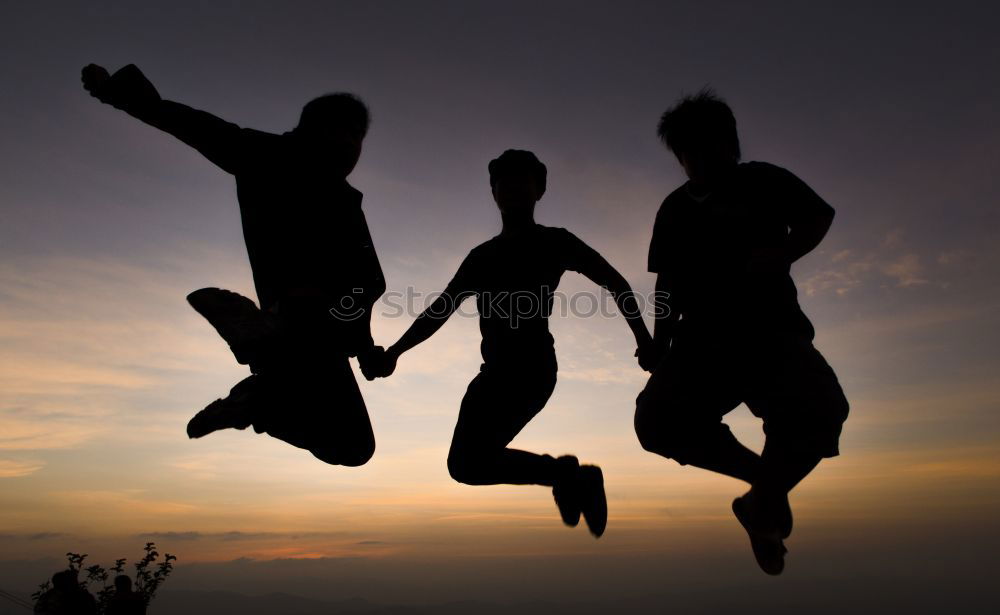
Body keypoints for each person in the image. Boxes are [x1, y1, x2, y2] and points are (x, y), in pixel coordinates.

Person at [81, 64, 385, 467]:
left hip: (326, 336)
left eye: (357, 138)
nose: (351, 146)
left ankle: (259, 393)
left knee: (351, 447)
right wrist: (120, 94)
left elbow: (363, 284)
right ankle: (262, 363)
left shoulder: (345, 197)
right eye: (344, 132)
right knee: (350, 446)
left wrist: (363, 348)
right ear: (313, 129)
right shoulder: (269, 155)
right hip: (305, 323)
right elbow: (196, 126)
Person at [368, 150, 654, 537]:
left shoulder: (555, 242)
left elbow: (616, 282)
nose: (513, 188)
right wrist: (395, 352)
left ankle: (568, 477)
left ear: (540, 191)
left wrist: (644, 339)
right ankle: (567, 477)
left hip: (533, 370)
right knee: (465, 467)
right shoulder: (482, 257)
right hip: (493, 373)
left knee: (469, 463)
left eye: (524, 181)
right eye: (505, 181)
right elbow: (439, 310)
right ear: (493, 191)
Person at [634, 89, 850, 574]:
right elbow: (666, 282)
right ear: (680, 158)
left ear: (731, 144)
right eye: (689, 151)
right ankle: (765, 491)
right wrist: (659, 341)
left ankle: (762, 502)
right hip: (702, 343)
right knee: (656, 423)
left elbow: (819, 216)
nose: (701, 158)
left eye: (711, 146)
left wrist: (785, 252)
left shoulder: (763, 180)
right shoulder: (674, 209)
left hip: (772, 332)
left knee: (822, 413)